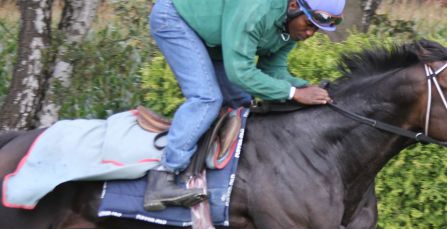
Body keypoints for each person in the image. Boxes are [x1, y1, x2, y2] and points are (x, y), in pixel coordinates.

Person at [144, 0, 345, 211]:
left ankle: (218, 180)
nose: (310, 33)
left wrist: (308, 88)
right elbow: (240, 72)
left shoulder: (290, 27)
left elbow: (273, 71)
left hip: (216, 40)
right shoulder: (256, 9)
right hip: (175, 19)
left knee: (242, 105)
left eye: (317, 29)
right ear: (294, 5)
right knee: (207, 99)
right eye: (310, 24)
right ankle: (162, 177)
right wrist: (295, 93)